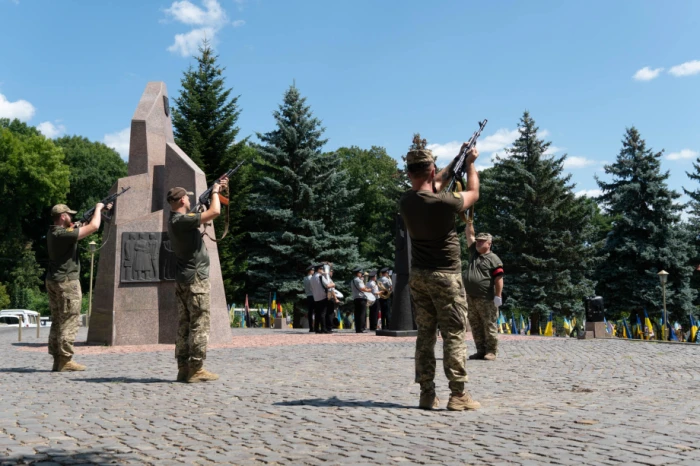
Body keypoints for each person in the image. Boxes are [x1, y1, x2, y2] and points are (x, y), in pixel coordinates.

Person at [398, 138, 481, 411]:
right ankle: (458, 394)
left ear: (409, 173)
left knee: (425, 335)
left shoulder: (407, 201)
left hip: (419, 276)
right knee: (454, 333)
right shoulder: (444, 202)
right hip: (446, 277)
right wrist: (469, 165)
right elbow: (473, 193)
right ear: (431, 170)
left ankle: (426, 393)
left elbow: (436, 181)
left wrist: (457, 158)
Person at [166, 176, 228, 383]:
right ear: (183, 200)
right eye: (188, 199)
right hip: (195, 280)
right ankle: (197, 368)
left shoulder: (175, 220)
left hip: (184, 279)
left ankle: (183, 369)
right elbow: (215, 212)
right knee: (199, 324)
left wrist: (217, 190)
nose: (190, 201)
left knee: (184, 325)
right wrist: (215, 193)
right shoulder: (181, 220)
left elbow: (202, 216)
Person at [46, 201, 111, 371]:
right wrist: (98, 208)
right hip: (67, 282)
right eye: (69, 215)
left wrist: (81, 222)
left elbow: (75, 228)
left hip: (54, 280)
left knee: (58, 320)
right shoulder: (62, 234)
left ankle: (57, 359)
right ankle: (65, 359)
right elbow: (94, 227)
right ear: (63, 216)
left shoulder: (54, 232)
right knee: (69, 319)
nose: (72, 217)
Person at [464, 229, 504, 361]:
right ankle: (480, 351)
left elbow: (499, 279)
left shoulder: (493, 259)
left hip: (486, 298)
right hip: (471, 297)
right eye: (478, 241)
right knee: (475, 325)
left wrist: (498, 295)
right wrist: (469, 223)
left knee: (489, 325)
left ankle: (491, 351)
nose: (478, 243)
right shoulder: (474, 254)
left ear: (489, 243)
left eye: (482, 241)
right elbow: (470, 235)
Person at [350, 267, 373, 333]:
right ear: (357, 273)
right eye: (360, 273)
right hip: (361, 299)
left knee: (357, 314)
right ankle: (361, 328)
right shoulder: (358, 280)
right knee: (362, 314)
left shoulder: (353, 280)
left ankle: (357, 328)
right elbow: (362, 288)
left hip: (356, 298)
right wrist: (368, 290)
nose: (361, 274)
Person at [310, 264, 331, 334]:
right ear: (319, 270)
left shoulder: (312, 278)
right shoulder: (320, 276)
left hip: (316, 298)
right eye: (322, 269)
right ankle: (323, 328)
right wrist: (333, 284)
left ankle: (316, 328)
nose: (323, 270)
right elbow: (328, 285)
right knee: (323, 313)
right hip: (322, 296)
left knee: (317, 314)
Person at [302, 265, 315, 331]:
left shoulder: (305, 278)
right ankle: (314, 327)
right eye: (312, 270)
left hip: (308, 296)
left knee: (310, 312)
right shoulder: (312, 278)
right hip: (313, 295)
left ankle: (311, 327)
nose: (313, 271)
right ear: (310, 271)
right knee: (315, 312)